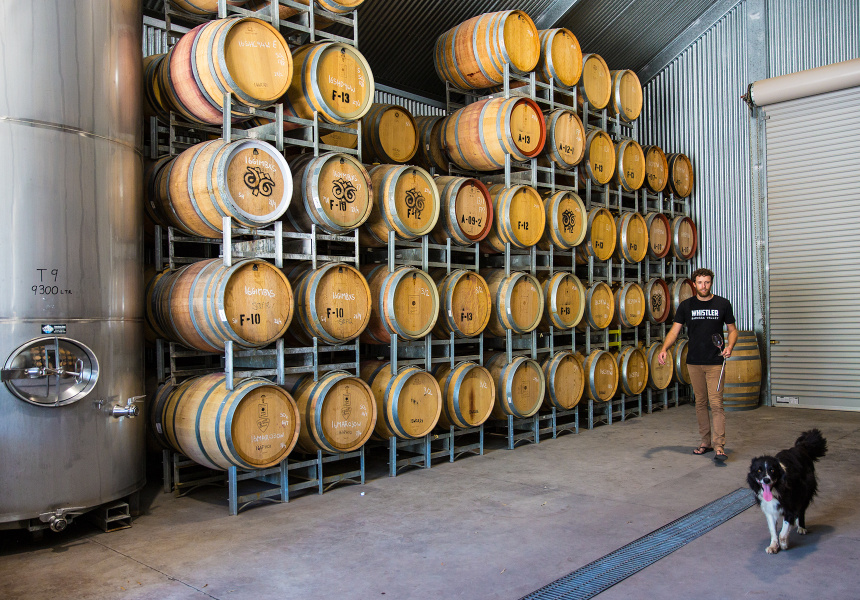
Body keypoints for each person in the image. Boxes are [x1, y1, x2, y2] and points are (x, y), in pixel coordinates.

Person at [659, 268, 738, 462]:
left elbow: (732, 330)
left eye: (707, 282)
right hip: (694, 362)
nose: (704, 286)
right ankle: (705, 442)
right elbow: (674, 331)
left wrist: (730, 346)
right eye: (700, 282)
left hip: (716, 362)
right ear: (694, 284)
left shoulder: (723, 304)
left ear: (711, 283)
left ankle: (719, 447)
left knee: (716, 404)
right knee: (701, 403)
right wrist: (664, 348)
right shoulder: (686, 306)